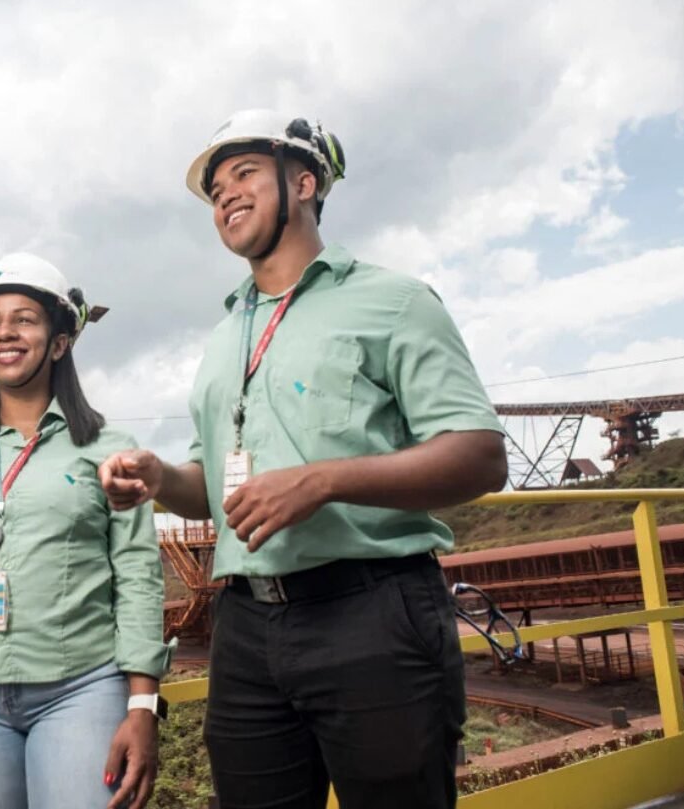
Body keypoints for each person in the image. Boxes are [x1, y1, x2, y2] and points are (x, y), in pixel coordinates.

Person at [99, 110, 508, 809]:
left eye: (245, 173)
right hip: (245, 626)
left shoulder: (394, 301)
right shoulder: (226, 336)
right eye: (216, 189)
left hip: (372, 610)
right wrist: (161, 478)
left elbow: (479, 455)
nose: (226, 195)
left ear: (305, 182)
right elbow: (211, 486)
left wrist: (324, 481)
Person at [0, 252, 170, 809]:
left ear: (60, 342)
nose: (5, 333)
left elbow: (138, 577)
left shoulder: (111, 450)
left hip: (81, 687)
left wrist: (143, 706)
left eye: (23, 319)